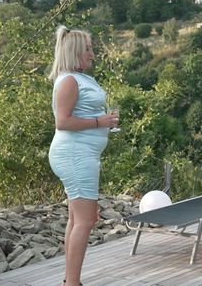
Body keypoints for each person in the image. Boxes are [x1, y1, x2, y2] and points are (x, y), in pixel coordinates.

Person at [48, 25, 118, 286]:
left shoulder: (80, 78)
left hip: (82, 154)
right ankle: (72, 283)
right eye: (88, 49)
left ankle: (70, 280)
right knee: (87, 220)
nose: (92, 53)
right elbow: (62, 122)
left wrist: (103, 121)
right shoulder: (68, 80)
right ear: (76, 52)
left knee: (77, 219)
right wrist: (100, 122)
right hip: (75, 155)